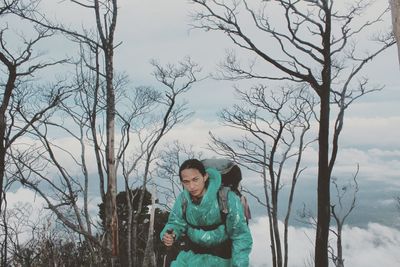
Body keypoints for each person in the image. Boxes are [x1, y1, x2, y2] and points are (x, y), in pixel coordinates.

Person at [160, 158, 253, 267]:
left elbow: (240, 235)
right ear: (182, 183)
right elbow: (175, 223)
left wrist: (239, 264)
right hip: (191, 258)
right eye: (186, 182)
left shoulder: (226, 198)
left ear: (205, 177)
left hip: (223, 259)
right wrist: (170, 234)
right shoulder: (183, 200)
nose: (191, 186)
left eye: (195, 179)